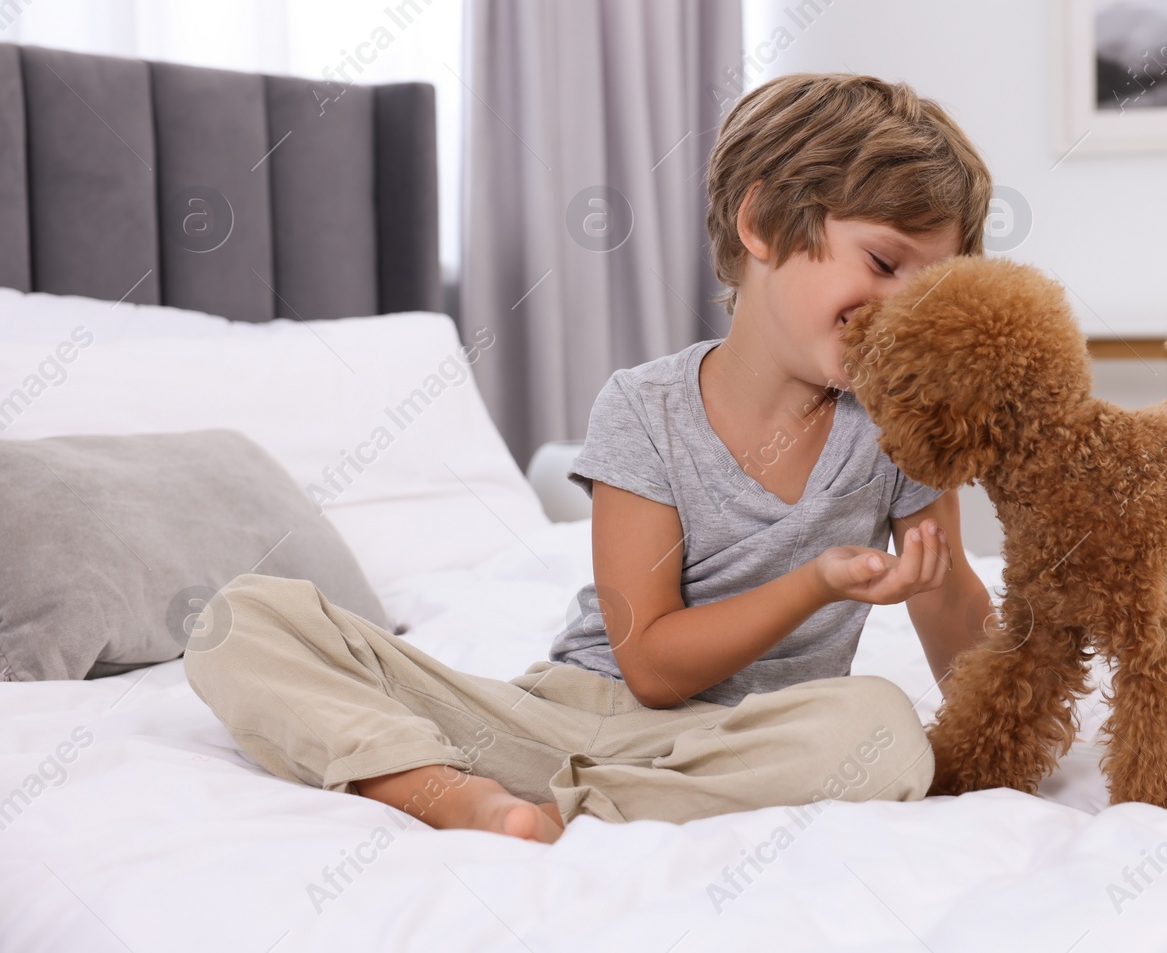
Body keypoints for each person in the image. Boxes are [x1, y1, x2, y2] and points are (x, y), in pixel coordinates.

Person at [185, 72, 997, 843]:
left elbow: (954, 606)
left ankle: (569, 809)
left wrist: (1003, 736)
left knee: (884, 729)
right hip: (573, 713)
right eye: (884, 264)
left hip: (743, 740)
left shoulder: (899, 427)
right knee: (242, 620)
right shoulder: (645, 409)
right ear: (762, 223)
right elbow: (649, 666)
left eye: (931, 285)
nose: (903, 310)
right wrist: (814, 582)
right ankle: (435, 784)